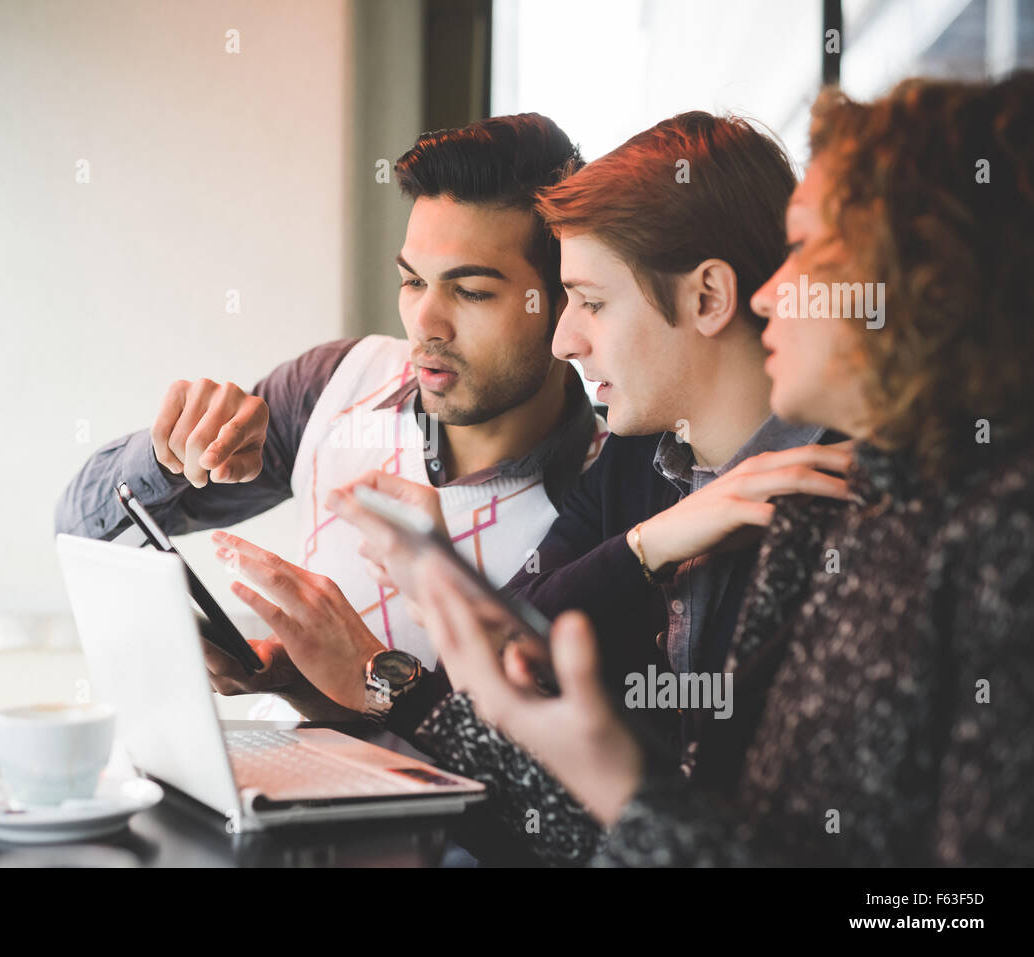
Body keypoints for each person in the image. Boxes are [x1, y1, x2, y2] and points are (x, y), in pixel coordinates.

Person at [413, 72, 1034, 866]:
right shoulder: (858, 503)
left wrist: (614, 781)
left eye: (812, 251)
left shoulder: (944, 519)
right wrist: (404, 683)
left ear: (927, 280)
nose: (772, 294)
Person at [246, 111, 853, 863]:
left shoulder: (847, 512)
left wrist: (384, 672)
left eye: (590, 302)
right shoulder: (643, 464)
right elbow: (526, 659)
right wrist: (649, 543)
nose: (564, 339)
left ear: (706, 298)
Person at [54, 113, 605, 720]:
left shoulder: (610, 494)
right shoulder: (336, 385)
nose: (425, 322)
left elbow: (541, 770)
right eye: (412, 281)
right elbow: (82, 526)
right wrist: (169, 458)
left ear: (563, 302)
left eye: (470, 291)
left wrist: (368, 674)